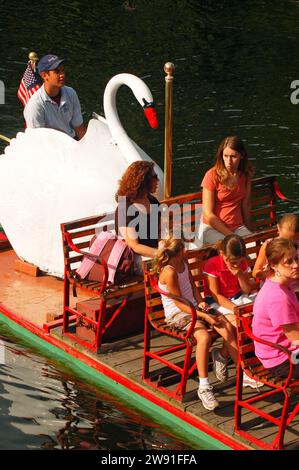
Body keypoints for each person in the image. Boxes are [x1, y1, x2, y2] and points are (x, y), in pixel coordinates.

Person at [153, 236, 261, 411]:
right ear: (179, 252)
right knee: (203, 337)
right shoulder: (170, 271)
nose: (187, 251)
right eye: (184, 249)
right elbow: (179, 303)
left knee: (227, 327)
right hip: (178, 313)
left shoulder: (184, 263)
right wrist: (204, 315)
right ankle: (204, 387)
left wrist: (201, 302)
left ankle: (244, 373)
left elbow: (193, 288)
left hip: (195, 307)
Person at [252, 238, 299, 378]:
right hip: (283, 360)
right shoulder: (278, 296)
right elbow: (295, 337)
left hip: (284, 351)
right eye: (289, 262)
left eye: (296, 258)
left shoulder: (280, 284)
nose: (296, 265)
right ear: (274, 265)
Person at [201, 136, 253, 245]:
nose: (228, 161)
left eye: (233, 156)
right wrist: (231, 236)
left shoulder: (245, 175)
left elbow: (245, 205)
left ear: (241, 156)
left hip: (237, 228)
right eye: (225, 156)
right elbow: (208, 214)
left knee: (256, 249)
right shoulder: (212, 175)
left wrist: (251, 233)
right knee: (235, 249)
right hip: (212, 229)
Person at [24, 54, 86, 140]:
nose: (62, 75)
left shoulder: (71, 93)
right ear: (44, 76)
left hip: (72, 143)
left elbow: (79, 128)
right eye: (57, 72)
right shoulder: (35, 105)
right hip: (51, 149)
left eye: (63, 70)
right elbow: (37, 140)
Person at [203, 234, 257, 326]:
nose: (236, 265)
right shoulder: (212, 264)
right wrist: (235, 309)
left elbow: (246, 290)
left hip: (238, 297)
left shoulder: (242, 263)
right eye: (233, 262)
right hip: (217, 302)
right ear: (222, 254)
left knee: (258, 314)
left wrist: (240, 275)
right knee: (242, 322)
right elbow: (216, 295)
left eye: (240, 261)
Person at [115, 161, 160, 269]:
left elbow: (159, 232)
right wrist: (161, 253)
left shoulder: (152, 201)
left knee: (183, 258)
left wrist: (165, 246)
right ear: (144, 181)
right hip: (135, 259)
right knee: (171, 264)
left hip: (154, 252)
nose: (158, 180)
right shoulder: (124, 208)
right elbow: (134, 246)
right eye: (155, 176)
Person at [253, 214, 299, 280]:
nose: (288, 245)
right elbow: (255, 272)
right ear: (278, 228)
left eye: (293, 241)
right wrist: (270, 274)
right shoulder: (269, 245)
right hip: (274, 283)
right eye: (284, 240)